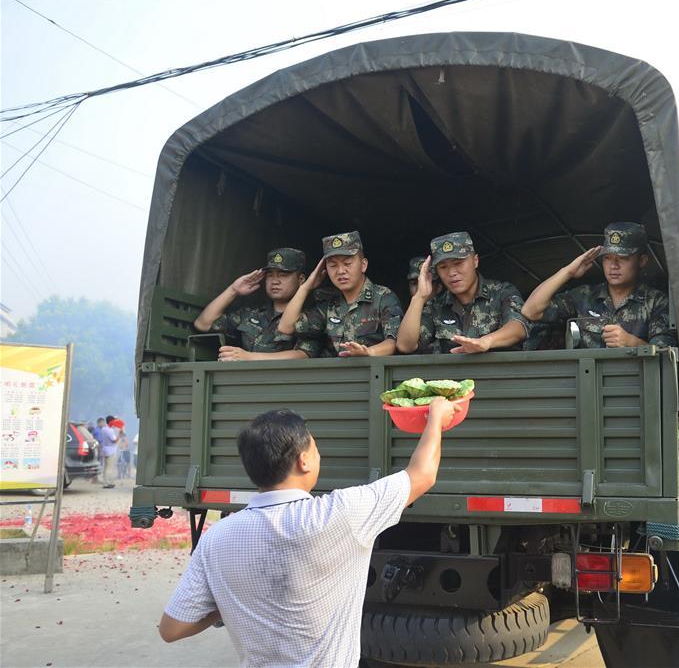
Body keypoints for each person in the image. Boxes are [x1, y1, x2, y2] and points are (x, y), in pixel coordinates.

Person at [159, 399, 461, 668]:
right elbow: (422, 474)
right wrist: (435, 419)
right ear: (304, 460)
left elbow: (171, 629)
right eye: (315, 450)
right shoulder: (340, 514)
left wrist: (225, 605)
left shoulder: (217, 538)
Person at [521, 223, 675, 349]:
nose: (613, 265)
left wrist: (632, 343)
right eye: (608, 258)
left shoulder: (656, 302)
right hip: (587, 382)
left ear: (642, 261)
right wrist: (567, 272)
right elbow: (530, 311)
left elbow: (666, 358)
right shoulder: (584, 296)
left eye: (623, 258)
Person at [396, 232, 530, 354]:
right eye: (443, 267)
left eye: (458, 263)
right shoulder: (436, 305)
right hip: (452, 379)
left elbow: (518, 327)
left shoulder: (501, 292)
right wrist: (419, 297)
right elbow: (405, 346)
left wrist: (485, 342)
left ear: (475, 261)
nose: (452, 273)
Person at [278, 232, 403, 358]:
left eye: (347, 263)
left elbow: (393, 342)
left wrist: (368, 352)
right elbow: (286, 327)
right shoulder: (328, 303)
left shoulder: (383, 297)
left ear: (363, 265)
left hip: (373, 374)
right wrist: (306, 287)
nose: (341, 271)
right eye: (333, 265)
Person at [193, 248, 310, 361]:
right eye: (270, 275)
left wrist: (248, 357)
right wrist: (233, 290)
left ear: (301, 279)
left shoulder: (311, 315)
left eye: (283, 275)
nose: (275, 281)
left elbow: (305, 355)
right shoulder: (252, 314)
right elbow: (203, 324)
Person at [98, 416, 120, 489]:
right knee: (109, 467)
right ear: (111, 422)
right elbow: (114, 440)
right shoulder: (109, 430)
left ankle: (106, 482)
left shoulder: (104, 429)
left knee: (106, 467)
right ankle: (108, 483)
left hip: (105, 449)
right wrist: (119, 435)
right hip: (111, 450)